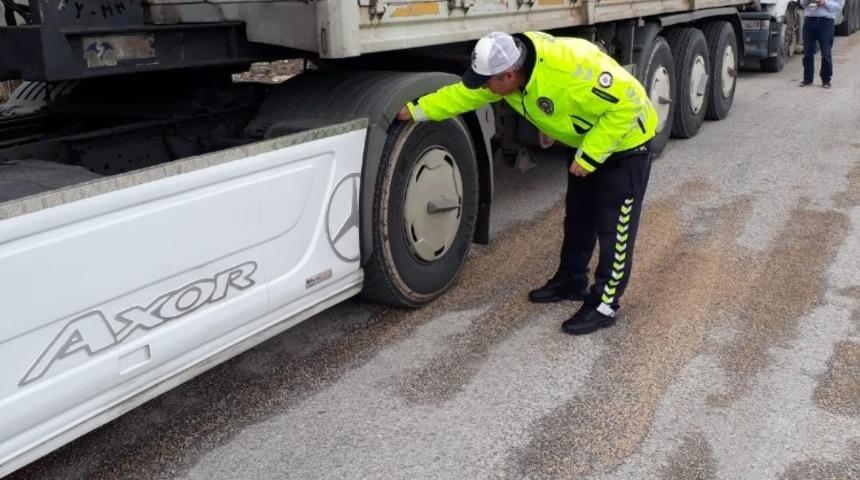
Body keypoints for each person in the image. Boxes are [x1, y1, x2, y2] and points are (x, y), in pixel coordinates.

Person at [397, 31, 657, 335]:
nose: (483, 88)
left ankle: (605, 303)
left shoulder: (571, 70)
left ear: (508, 74)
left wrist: (589, 157)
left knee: (615, 228)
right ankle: (572, 279)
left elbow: (628, 102)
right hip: (587, 141)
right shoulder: (512, 76)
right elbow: (462, 95)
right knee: (578, 218)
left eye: (488, 81)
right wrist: (415, 110)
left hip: (627, 145)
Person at [798, 0, 845, 88]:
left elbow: (839, 6)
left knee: (826, 53)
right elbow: (802, 3)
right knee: (807, 53)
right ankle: (807, 79)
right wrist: (806, 1)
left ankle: (826, 80)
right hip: (809, 21)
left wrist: (825, 3)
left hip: (826, 22)